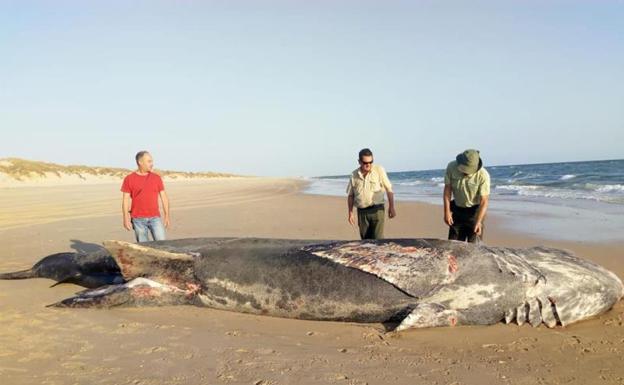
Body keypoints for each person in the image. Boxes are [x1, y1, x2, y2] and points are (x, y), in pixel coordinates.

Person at [121, 151, 170, 242]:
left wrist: (167, 215)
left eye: (151, 161)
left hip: (155, 218)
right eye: (149, 161)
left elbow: (164, 197)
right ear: (140, 162)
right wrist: (126, 218)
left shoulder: (156, 178)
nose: (152, 164)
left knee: (162, 244)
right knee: (144, 247)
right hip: (138, 219)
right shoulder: (129, 179)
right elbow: (125, 200)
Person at [346, 148, 396, 239]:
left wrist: (391, 207)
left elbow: (389, 189)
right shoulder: (354, 175)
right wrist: (350, 213)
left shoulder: (379, 170)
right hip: (362, 213)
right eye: (365, 163)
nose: (368, 165)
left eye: (371, 162)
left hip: (377, 211)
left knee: (378, 240)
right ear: (359, 162)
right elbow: (350, 195)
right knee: (365, 242)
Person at [443, 149, 490, 243]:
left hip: (475, 211)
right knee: (453, 245)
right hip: (457, 209)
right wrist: (447, 212)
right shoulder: (451, 167)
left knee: (474, 246)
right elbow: (447, 190)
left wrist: (478, 221)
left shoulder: (483, 175)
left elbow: (484, 201)